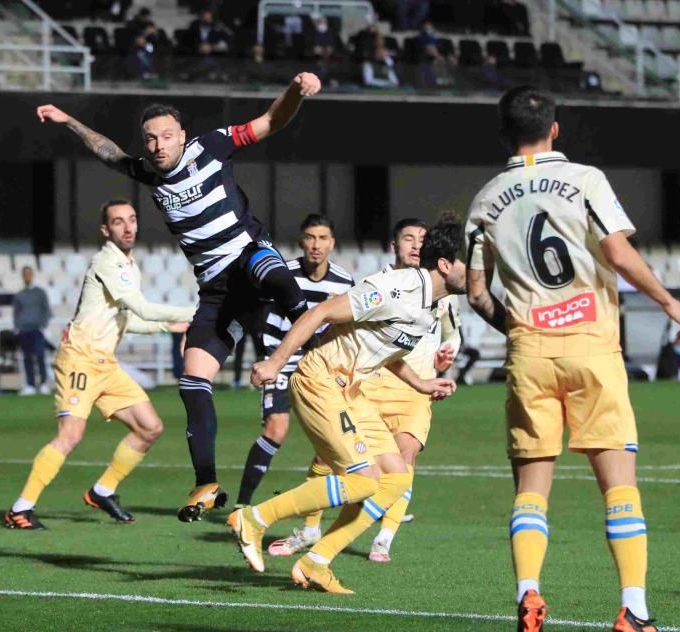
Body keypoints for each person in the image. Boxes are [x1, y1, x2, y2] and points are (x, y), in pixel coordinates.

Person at [464, 86, 680, 632]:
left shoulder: (486, 199)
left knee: (531, 492)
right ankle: (634, 607)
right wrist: (668, 301)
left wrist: (514, 327)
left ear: (503, 133)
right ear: (555, 128)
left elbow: (474, 291)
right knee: (619, 485)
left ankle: (528, 594)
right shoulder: (585, 180)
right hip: (592, 346)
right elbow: (616, 252)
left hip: (529, 353)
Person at [36, 71, 320, 522]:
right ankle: (205, 482)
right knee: (192, 382)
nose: (158, 145)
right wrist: (69, 119)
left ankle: (317, 340)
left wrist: (295, 92)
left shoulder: (212, 145)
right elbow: (107, 151)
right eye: (150, 139)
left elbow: (269, 121)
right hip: (216, 290)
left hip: (247, 257)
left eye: (166, 136)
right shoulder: (148, 171)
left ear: (182, 137)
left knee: (276, 276)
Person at [228, 223, 465, 594]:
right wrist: (275, 362)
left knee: (397, 478)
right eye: (473, 263)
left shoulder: (431, 306)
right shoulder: (396, 288)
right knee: (362, 480)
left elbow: (387, 350)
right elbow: (321, 312)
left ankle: (316, 562)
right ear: (448, 265)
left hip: (350, 390)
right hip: (321, 380)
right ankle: (254, 519)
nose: (481, 274)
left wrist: (422, 383)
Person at [4, 199, 195, 529]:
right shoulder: (107, 261)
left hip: (105, 364)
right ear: (106, 230)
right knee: (70, 435)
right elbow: (143, 308)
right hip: (80, 359)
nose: (128, 226)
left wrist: (171, 325)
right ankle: (20, 508)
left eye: (132, 220)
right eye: (118, 222)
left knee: (150, 427)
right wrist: (197, 314)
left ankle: (102, 490)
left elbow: (128, 320)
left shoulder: (129, 265)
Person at [235, 214, 354, 507]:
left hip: (321, 366)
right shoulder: (281, 274)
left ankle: (345, 500)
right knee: (276, 428)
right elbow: (251, 308)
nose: (316, 245)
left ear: (332, 243)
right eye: (311, 238)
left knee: (335, 435)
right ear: (302, 241)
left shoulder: (344, 281)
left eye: (323, 238)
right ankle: (242, 505)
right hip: (281, 360)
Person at [13, 266, 52, 396]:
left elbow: (46, 310)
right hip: (24, 330)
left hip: (37, 329)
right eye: (25, 274)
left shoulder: (40, 293)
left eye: (29, 274)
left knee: (40, 356)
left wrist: (43, 325)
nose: (27, 276)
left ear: (32, 275)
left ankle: (44, 383)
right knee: (27, 357)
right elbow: (16, 312)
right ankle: (30, 384)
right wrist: (18, 326)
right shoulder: (19, 294)